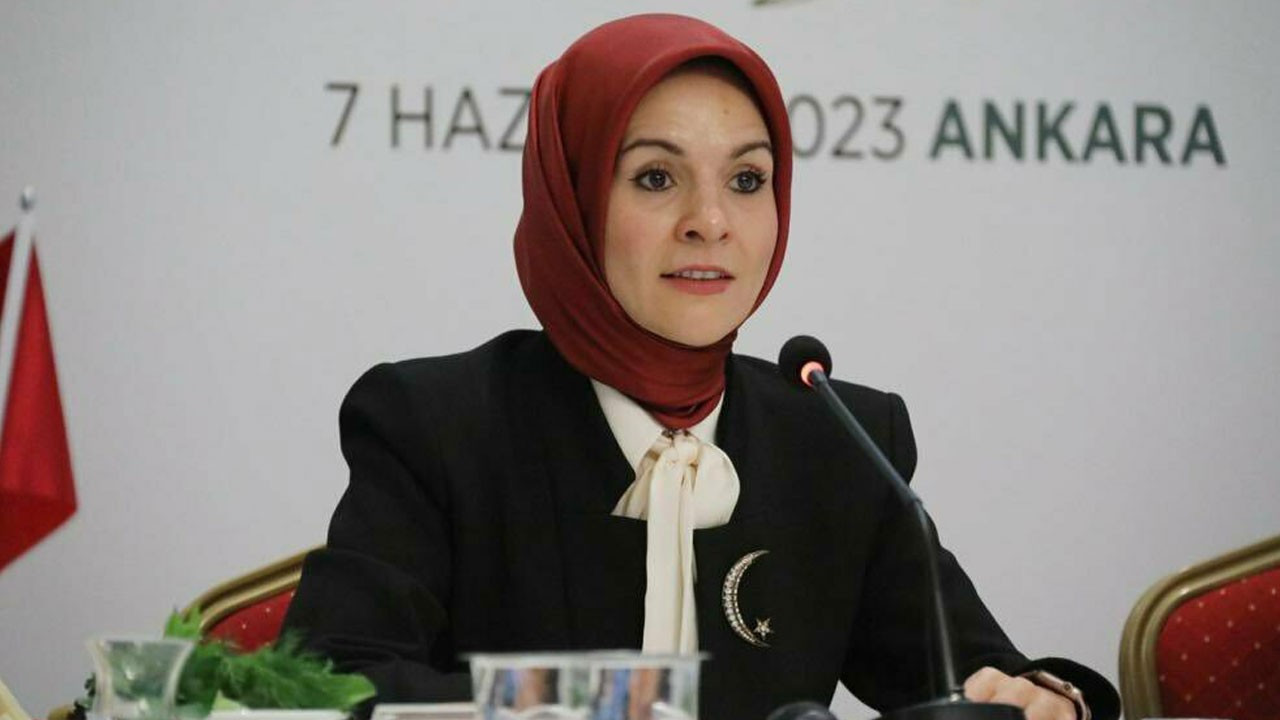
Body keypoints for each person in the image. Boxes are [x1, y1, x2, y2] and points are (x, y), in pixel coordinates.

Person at [282, 14, 1119, 720]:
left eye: (748, 180)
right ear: (572, 198)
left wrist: (1045, 699)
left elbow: (977, 675)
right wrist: (590, 704)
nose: (711, 221)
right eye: (656, 177)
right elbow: (327, 683)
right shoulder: (437, 424)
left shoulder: (839, 439)